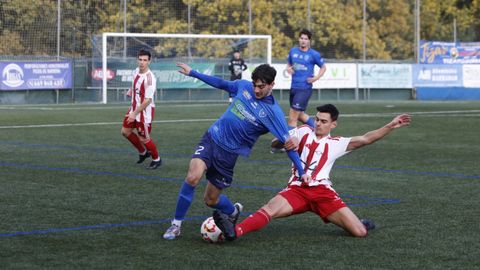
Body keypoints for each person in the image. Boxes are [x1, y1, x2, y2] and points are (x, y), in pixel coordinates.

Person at [214, 104, 411, 241]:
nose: (318, 123)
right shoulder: (302, 132)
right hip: (297, 189)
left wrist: (391, 126)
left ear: (333, 124)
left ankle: (357, 223)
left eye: (324, 121)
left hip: (323, 193)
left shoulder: (337, 143)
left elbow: (366, 138)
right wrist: (284, 142)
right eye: (317, 119)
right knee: (269, 208)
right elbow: (275, 145)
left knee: (359, 232)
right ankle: (234, 231)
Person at [163, 62, 308, 240]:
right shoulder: (244, 87)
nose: (256, 89)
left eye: (261, 86)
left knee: (211, 200)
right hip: (212, 138)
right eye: (254, 84)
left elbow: (289, 146)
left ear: (272, 85)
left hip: (228, 155)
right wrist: (194, 73)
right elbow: (221, 83)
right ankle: (175, 225)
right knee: (193, 176)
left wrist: (302, 172)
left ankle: (232, 211)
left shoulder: (273, 113)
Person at [121, 49, 162, 170]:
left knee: (143, 138)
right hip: (134, 108)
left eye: (145, 60)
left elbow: (148, 100)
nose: (142, 62)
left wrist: (134, 113)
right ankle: (143, 153)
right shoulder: (135, 71)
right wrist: (131, 90)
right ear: (137, 60)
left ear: (149, 61)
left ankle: (156, 159)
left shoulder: (150, 79)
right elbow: (135, 84)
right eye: (140, 59)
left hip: (144, 113)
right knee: (125, 132)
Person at [287, 29, 327, 129]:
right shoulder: (293, 51)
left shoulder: (314, 54)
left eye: (306, 39)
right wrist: (288, 69)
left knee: (292, 117)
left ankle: (290, 143)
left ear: (309, 41)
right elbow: (289, 64)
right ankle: (321, 130)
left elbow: (323, 67)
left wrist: (316, 78)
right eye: (301, 38)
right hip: (293, 88)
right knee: (300, 115)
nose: (303, 40)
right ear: (298, 39)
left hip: (304, 89)